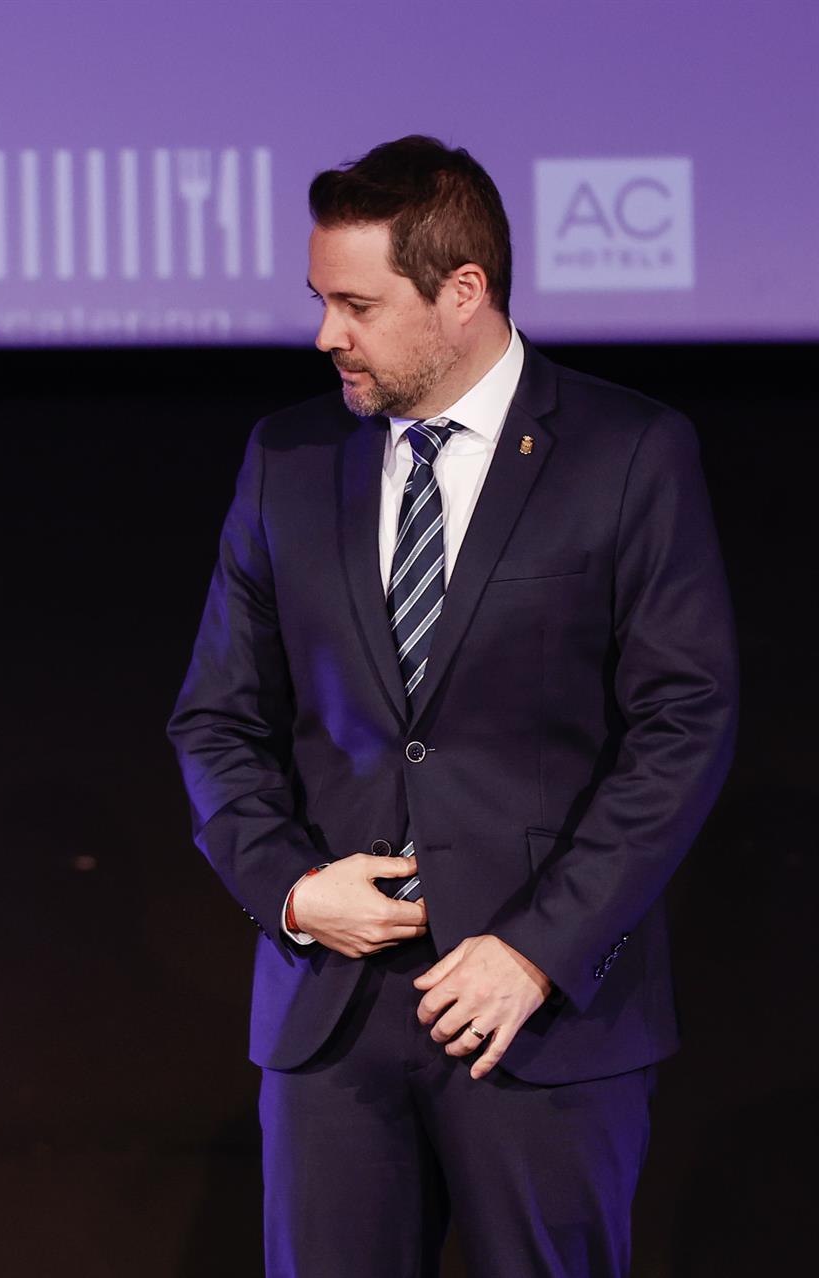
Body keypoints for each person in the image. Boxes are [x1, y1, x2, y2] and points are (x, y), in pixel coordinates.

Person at [168, 135, 737, 1277]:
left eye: (357, 304)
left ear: (462, 293)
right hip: (331, 1016)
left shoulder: (628, 454)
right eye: (322, 300)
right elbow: (215, 720)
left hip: (543, 1014)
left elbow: (684, 723)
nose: (326, 332)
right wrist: (288, 888)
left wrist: (535, 951)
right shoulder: (288, 457)